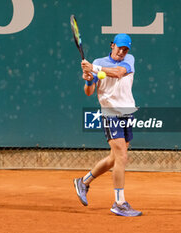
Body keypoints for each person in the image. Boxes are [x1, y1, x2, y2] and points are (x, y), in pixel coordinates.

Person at [73, 33, 142, 217]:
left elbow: (118, 73)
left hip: (127, 113)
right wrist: (89, 78)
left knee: (114, 159)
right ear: (112, 45)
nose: (122, 51)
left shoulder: (129, 60)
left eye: (125, 49)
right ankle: (119, 203)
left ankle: (84, 181)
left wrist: (93, 68)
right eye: (119, 47)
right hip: (110, 114)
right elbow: (89, 92)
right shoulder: (99, 61)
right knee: (122, 156)